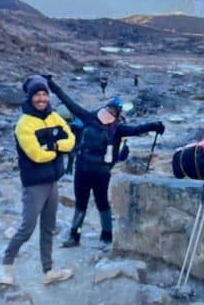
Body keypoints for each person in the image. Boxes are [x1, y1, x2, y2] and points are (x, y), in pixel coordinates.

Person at [48, 77, 164, 250]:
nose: (110, 112)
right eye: (109, 108)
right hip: (81, 170)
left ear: (117, 115)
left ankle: (107, 237)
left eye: (114, 111)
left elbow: (137, 129)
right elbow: (68, 102)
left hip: (101, 173)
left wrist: (154, 126)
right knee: (81, 203)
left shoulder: (117, 130)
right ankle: (75, 235)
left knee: (102, 203)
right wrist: (53, 86)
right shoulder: (88, 118)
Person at [2, 75, 76, 285]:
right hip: (35, 184)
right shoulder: (24, 124)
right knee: (27, 227)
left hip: (52, 182)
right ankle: (6, 266)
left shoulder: (54, 117)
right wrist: (57, 148)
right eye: (37, 94)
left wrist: (52, 147)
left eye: (44, 94)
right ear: (30, 97)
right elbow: (36, 155)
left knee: (48, 227)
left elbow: (71, 141)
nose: (41, 98)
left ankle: (49, 270)